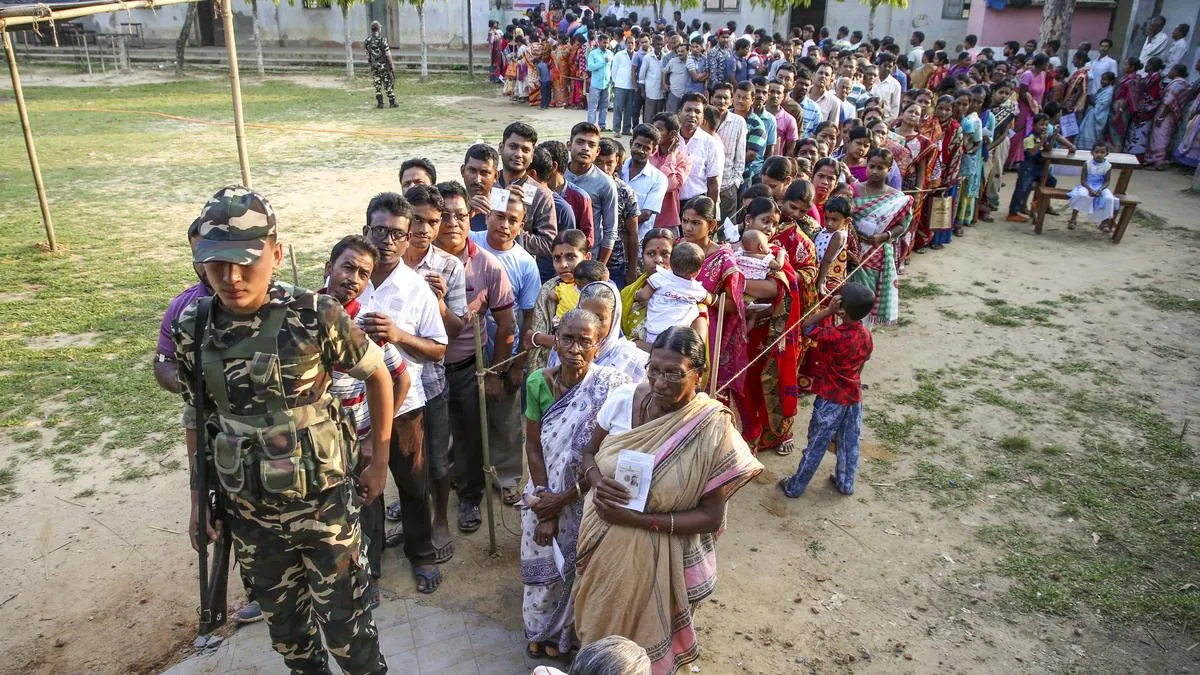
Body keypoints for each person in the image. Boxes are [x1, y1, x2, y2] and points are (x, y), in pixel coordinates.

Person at [175, 187, 393, 673]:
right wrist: (197, 500)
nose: (231, 278)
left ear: (275, 254)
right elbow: (197, 416)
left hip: (324, 510)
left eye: (245, 262)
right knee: (292, 641)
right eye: (216, 264)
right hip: (250, 517)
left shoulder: (314, 314)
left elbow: (379, 375)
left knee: (351, 638)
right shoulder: (194, 327)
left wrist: (378, 461)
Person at [573, 327, 763, 675]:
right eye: (654, 370)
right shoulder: (623, 399)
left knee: (644, 642)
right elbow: (588, 453)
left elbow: (711, 516)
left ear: (698, 374)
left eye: (673, 373)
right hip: (602, 544)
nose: (660, 383)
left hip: (661, 558)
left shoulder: (712, 430)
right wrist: (598, 483)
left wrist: (640, 521)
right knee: (597, 629)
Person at [155, 218, 263, 625]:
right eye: (205, 254)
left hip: (266, 428)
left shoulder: (270, 301)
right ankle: (255, 590)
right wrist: (194, 386)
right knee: (233, 511)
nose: (219, 267)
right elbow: (163, 364)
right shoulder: (185, 311)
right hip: (214, 425)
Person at [521, 308, 631, 659]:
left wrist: (563, 500)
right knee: (542, 559)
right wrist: (545, 501)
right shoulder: (538, 382)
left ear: (599, 345)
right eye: (567, 339)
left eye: (585, 341)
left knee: (580, 568)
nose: (575, 349)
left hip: (585, 498)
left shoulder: (611, 388)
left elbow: (604, 456)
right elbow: (534, 446)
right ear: (555, 339)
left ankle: (565, 637)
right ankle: (539, 630)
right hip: (543, 492)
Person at [357, 191, 447, 594]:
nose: (387, 241)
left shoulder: (416, 289)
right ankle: (369, 564)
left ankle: (421, 553)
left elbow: (439, 348)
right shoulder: (349, 279)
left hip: (404, 406)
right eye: (380, 231)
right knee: (364, 488)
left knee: (412, 484)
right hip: (353, 409)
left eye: (397, 233)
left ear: (409, 237)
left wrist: (399, 335)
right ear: (366, 231)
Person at [322, 235, 412, 604]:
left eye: (364, 274)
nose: (354, 279)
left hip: (355, 444)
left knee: (366, 507)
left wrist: (375, 438)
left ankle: (369, 574)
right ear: (329, 267)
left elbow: (401, 379)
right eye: (348, 267)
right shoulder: (299, 316)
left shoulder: (366, 325)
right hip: (311, 448)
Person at [433, 181, 517, 541]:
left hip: (469, 366)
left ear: (472, 218)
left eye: (461, 215)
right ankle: (422, 499)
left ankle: (470, 498)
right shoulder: (414, 262)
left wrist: (495, 373)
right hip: (425, 369)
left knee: (470, 437)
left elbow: (507, 325)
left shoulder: (488, 266)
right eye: (444, 216)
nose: (453, 223)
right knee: (427, 438)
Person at [395, 185, 467, 563]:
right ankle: (415, 520)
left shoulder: (449, 266)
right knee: (407, 461)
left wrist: (438, 302)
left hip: (431, 380)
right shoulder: (388, 260)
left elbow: (456, 329)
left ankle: (440, 519)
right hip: (393, 383)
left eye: (433, 222)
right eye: (418, 220)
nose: (425, 229)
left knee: (437, 459)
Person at [470, 193, 541, 505]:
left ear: (521, 226)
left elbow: (528, 318)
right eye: (499, 216)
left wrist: (516, 365)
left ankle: (508, 476)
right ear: (487, 216)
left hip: (505, 349)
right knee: (466, 414)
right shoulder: (470, 243)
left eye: (513, 220)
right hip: (468, 346)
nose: (504, 224)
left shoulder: (525, 263)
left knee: (506, 417)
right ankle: (466, 473)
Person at [778, 283, 875, 498]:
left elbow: (806, 327)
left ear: (842, 310)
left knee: (816, 445)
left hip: (830, 399)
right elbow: (863, 362)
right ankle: (845, 483)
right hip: (853, 397)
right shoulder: (867, 335)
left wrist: (828, 311)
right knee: (849, 443)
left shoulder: (835, 335)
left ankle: (795, 487)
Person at [850, 148, 912, 326]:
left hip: (875, 255)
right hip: (851, 252)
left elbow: (903, 225)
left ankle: (862, 333)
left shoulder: (896, 198)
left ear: (889, 169)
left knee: (865, 294)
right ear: (866, 165)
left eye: (880, 168)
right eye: (872, 166)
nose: (875, 171)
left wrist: (884, 236)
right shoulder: (853, 190)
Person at [498, 123, 561, 282]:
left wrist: (514, 230)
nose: (518, 154)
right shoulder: (487, 183)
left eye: (525, 150)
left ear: (532, 155)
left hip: (518, 275)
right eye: (513, 146)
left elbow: (549, 244)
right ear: (501, 148)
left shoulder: (541, 195)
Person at [528, 229, 592, 373]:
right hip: (551, 366)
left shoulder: (600, 290)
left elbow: (597, 341)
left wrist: (539, 338)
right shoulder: (548, 289)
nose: (563, 264)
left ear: (587, 257)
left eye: (571, 257)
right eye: (557, 258)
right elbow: (537, 329)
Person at [633, 241, 711, 345]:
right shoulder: (696, 288)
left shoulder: (660, 277)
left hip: (654, 334)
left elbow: (643, 296)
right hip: (678, 339)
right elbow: (708, 299)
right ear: (697, 272)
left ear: (671, 262)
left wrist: (636, 295)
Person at [565, 122, 620, 265]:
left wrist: (599, 266)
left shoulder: (605, 183)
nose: (585, 148)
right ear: (569, 145)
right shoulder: (557, 174)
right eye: (580, 142)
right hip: (555, 257)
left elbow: (610, 230)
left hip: (588, 258)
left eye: (591, 145)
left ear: (597, 151)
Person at [595, 138, 642, 287]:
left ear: (617, 162)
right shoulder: (585, 186)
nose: (604, 168)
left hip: (615, 263)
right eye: (599, 162)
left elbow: (633, 232)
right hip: (587, 258)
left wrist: (632, 269)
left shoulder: (625, 191)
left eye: (609, 163)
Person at [621, 123, 668, 239]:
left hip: (639, 240)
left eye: (646, 148)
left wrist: (615, 226)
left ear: (654, 150)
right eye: (638, 145)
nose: (640, 151)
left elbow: (646, 214)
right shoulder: (618, 169)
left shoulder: (659, 179)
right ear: (631, 143)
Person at [710, 82, 747, 219]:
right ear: (711, 98)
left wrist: (735, 182)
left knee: (727, 228)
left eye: (725, 98)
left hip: (728, 186)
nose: (721, 101)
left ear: (731, 100)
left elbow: (740, 154)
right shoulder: (703, 120)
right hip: (706, 186)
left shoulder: (739, 122)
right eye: (718, 97)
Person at [1007, 113, 1052, 224]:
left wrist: (1051, 138)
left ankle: (1037, 205)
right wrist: (1041, 142)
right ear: (1034, 125)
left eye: (1046, 125)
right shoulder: (1029, 138)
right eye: (1041, 124)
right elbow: (1031, 152)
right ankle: (1013, 213)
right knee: (1021, 189)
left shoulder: (1042, 137)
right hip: (1028, 167)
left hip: (1038, 167)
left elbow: (1048, 149)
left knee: (1051, 181)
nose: (1044, 127)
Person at [1007, 54, 1049, 169]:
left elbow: (1042, 93)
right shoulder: (1027, 75)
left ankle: (1024, 160)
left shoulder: (1043, 75)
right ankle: (1010, 161)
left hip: (1036, 108)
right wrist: (1032, 106)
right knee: (1019, 133)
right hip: (1025, 107)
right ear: (1041, 63)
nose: (1048, 65)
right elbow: (1023, 93)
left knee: (1031, 133)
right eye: (1046, 63)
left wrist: (1038, 107)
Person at [1146, 64, 1192, 168]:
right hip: (1173, 113)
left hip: (1166, 113)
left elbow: (1169, 102)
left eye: (1171, 70)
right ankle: (1156, 160)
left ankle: (1157, 161)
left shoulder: (1177, 84)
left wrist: (1161, 117)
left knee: (1160, 136)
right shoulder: (1184, 84)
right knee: (1163, 135)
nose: (1169, 72)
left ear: (1176, 72)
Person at [1066, 143, 1118, 232]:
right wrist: (1090, 189)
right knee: (1081, 195)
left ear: (1107, 153)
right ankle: (1073, 219)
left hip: (1100, 186)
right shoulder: (1087, 164)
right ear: (1092, 153)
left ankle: (1105, 222)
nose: (1099, 154)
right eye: (1096, 152)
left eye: (1102, 152)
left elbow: (1107, 181)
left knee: (1109, 198)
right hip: (1087, 185)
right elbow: (1083, 180)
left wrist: (1100, 189)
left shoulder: (1108, 165)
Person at [815, 196, 851, 296]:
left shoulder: (838, 235)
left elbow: (827, 260)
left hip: (818, 271)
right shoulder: (827, 230)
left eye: (834, 220)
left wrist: (820, 282)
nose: (829, 223)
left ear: (846, 221)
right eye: (826, 218)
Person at [1128, 57, 1165, 156]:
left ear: (1152, 66)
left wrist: (1142, 107)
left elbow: (1154, 96)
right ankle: (1131, 154)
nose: (1146, 66)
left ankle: (1137, 156)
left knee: (1141, 134)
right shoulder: (1149, 77)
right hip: (1141, 110)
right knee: (1136, 133)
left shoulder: (1156, 78)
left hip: (1146, 112)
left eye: (1148, 64)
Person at [1106, 58, 1143, 153]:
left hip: (1121, 111)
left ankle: (1115, 154)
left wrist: (1118, 113)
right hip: (1115, 108)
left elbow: (1128, 99)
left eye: (1126, 64)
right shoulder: (1126, 77)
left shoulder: (1133, 80)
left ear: (1132, 67)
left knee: (1118, 133)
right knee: (1111, 133)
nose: (1123, 66)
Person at [1077, 72, 1114, 151]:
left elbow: (1102, 105)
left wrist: (1091, 102)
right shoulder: (1103, 89)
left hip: (1098, 115)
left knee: (1091, 134)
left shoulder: (1109, 91)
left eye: (1105, 80)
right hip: (1092, 114)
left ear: (1111, 81)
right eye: (1102, 79)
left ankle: (1090, 149)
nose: (1102, 81)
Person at [364, 21, 397, 109]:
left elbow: (367, 55)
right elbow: (387, 53)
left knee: (377, 85)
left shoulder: (367, 41)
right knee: (388, 84)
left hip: (374, 66)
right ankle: (392, 102)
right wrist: (392, 65)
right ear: (379, 29)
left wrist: (371, 64)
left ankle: (380, 103)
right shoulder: (383, 40)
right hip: (384, 66)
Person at [612, 36, 638, 136]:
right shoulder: (619, 55)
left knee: (629, 109)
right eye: (629, 43)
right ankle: (616, 130)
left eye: (632, 43)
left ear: (635, 44)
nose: (630, 45)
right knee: (618, 108)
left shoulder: (636, 55)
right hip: (620, 85)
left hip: (631, 86)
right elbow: (614, 69)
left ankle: (626, 130)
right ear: (625, 44)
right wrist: (615, 82)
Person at [587, 34, 614, 130]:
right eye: (604, 42)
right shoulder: (593, 54)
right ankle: (591, 126)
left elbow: (612, 68)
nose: (606, 45)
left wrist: (612, 80)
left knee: (604, 107)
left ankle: (602, 125)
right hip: (595, 84)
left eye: (607, 43)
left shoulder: (610, 53)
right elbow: (590, 67)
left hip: (607, 84)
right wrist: (602, 62)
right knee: (593, 107)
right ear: (599, 42)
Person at [639, 34, 667, 121]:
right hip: (650, 91)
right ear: (653, 44)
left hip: (661, 91)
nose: (659, 46)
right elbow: (641, 76)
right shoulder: (648, 57)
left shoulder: (665, 57)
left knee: (659, 116)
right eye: (657, 44)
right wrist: (643, 91)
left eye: (661, 44)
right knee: (649, 115)